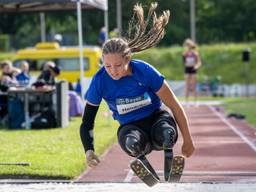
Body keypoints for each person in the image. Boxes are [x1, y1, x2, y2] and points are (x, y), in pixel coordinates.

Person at [80, 3, 195, 186]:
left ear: (128, 60)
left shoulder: (145, 71)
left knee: (166, 134)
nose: (113, 71)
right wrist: (89, 150)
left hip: (157, 119)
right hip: (131, 127)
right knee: (131, 143)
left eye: (118, 65)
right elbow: (87, 122)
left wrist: (188, 140)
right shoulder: (100, 80)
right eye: (107, 66)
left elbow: (174, 106)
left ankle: (169, 162)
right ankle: (144, 165)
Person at [182, 38, 201, 105]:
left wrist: (196, 66)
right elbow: (184, 62)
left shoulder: (195, 53)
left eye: (189, 45)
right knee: (187, 86)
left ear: (191, 45)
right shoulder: (185, 54)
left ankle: (195, 101)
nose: (188, 46)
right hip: (187, 69)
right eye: (187, 45)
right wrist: (187, 64)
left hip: (193, 70)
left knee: (193, 86)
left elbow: (199, 62)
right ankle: (186, 102)